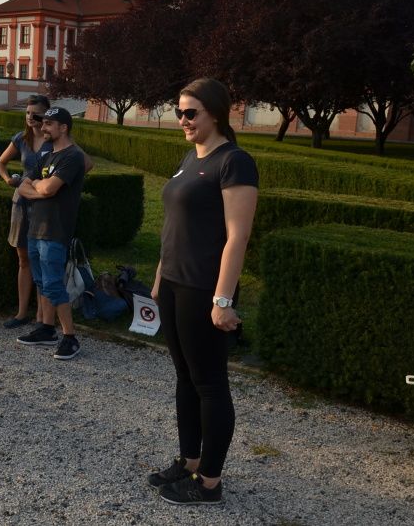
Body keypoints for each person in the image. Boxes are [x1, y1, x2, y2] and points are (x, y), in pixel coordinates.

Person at [147, 78, 258, 506]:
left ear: (215, 113)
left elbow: (238, 236)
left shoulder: (234, 162)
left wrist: (222, 300)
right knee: (185, 378)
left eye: (190, 112)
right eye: (179, 112)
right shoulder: (190, 156)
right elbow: (174, 225)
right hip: (175, 284)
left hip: (204, 289)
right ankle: (190, 460)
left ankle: (210, 482)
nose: (182, 120)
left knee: (210, 384)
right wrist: (160, 278)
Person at [14, 107, 88, 360]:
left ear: (63, 128)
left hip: (55, 230)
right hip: (36, 227)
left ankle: (70, 337)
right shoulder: (46, 156)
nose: (42, 128)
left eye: (48, 124)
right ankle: (47, 329)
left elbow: (49, 188)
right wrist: (40, 189)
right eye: (43, 123)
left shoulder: (73, 156)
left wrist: (39, 187)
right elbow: (24, 187)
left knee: (54, 284)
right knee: (41, 282)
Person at [0, 94, 53, 328]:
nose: (30, 117)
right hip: (21, 202)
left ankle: (41, 315)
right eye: (28, 113)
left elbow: (82, 163)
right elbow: (0, 162)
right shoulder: (21, 138)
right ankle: (21, 313)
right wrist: (8, 179)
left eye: (35, 114)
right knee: (24, 260)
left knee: (41, 259)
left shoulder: (54, 139)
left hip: (44, 204)